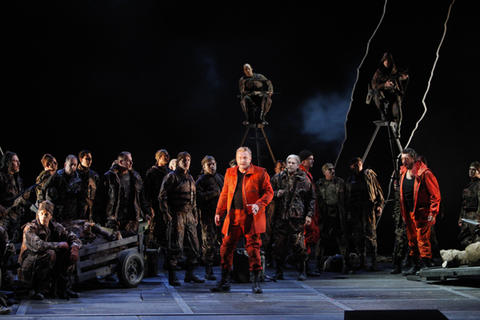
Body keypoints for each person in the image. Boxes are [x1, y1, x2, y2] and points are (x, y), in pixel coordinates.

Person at [211, 147, 273, 294]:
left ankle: (256, 282)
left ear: (250, 159)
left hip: (251, 216)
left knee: (253, 249)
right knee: (225, 247)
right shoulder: (230, 173)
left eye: (245, 158)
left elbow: (269, 192)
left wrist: (259, 204)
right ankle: (225, 281)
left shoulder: (260, 172)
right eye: (240, 158)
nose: (242, 161)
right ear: (236, 159)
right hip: (233, 216)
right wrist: (219, 212)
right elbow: (225, 193)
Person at [18, 200, 82, 300]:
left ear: (51, 216)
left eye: (46, 214)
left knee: (67, 253)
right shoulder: (30, 228)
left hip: (47, 265)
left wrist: (74, 247)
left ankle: (63, 287)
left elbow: (73, 237)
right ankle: (34, 289)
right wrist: (58, 244)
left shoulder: (55, 227)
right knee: (50, 253)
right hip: (29, 266)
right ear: (38, 214)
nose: (43, 217)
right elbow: (38, 245)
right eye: (41, 214)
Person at [159, 152, 204, 286]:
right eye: (184, 160)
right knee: (176, 246)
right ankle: (172, 275)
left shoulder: (190, 177)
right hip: (177, 213)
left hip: (189, 214)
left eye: (189, 160)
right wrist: (166, 213)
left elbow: (193, 199)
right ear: (178, 162)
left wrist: (195, 215)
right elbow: (162, 197)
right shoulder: (171, 177)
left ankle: (189, 274)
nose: (186, 162)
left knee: (194, 245)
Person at [270, 155, 315, 281]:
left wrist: (309, 215)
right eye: (288, 162)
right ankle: (279, 271)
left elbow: (311, 199)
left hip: (297, 218)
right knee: (279, 245)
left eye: (293, 163)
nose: (290, 165)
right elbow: (267, 193)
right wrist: (275, 194)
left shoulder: (304, 180)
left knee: (299, 245)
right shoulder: (278, 178)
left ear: (298, 164)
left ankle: (302, 270)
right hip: (281, 217)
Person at [399, 148, 441, 275]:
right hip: (409, 212)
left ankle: (427, 265)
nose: (404, 161)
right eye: (402, 159)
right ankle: (415, 265)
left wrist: (432, 212)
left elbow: (435, 194)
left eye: (406, 159)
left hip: (422, 212)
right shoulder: (403, 172)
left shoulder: (425, 173)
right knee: (412, 240)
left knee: (422, 240)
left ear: (413, 159)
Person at [97, 152, 150, 234]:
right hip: (114, 217)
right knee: (115, 242)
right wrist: (98, 216)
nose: (131, 163)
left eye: (131, 161)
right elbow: (100, 197)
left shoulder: (136, 178)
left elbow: (141, 197)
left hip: (130, 217)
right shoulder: (109, 178)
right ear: (121, 162)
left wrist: (146, 211)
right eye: (128, 161)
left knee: (132, 242)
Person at [346, 157, 384, 271]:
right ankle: (362, 261)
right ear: (352, 166)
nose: (358, 166)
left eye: (359, 164)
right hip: (356, 211)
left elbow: (378, 191)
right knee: (358, 236)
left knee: (371, 236)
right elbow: (347, 197)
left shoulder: (368, 176)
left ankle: (374, 262)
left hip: (368, 209)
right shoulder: (350, 180)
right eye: (355, 165)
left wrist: (379, 205)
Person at [315, 163, 350, 274]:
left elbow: (347, 199)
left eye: (333, 169)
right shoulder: (319, 185)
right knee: (321, 240)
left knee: (342, 239)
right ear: (324, 172)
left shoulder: (341, 183)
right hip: (325, 215)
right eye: (329, 170)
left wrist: (347, 214)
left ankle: (346, 264)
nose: (332, 171)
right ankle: (317, 264)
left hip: (338, 214)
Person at [196, 155, 224, 280]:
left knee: (224, 241)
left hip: (221, 215)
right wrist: (212, 193)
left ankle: (225, 268)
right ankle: (209, 270)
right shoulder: (201, 180)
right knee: (209, 243)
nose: (212, 166)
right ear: (204, 167)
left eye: (213, 164)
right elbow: (197, 197)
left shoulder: (220, 178)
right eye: (209, 164)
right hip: (208, 216)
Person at [370, 52, 409, 137]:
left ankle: (397, 128)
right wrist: (384, 85)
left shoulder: (395, 70)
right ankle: (383, 113)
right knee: (376, 95)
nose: (387, 62)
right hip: (383, 93)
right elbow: (373, 84)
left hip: (393, 93)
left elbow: (401, 76)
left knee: (397, 109)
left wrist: (403, 76)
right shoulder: (379, 72)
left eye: (389, 60)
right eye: (386, 60)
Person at [39, 155, 85, 224]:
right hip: (56, 216)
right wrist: (44, 211)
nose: (72, 167)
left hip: (71, 217)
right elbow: (43, 191)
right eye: (71, 164)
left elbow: (81, 198)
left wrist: (81, 214)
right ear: (65, 165)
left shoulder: (79, 179)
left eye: (75, 165)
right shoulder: (56, 176)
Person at [0, 151, 31, 243]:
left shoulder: (17, 178)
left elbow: (20, 196)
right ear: (8, 163)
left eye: (18, 161)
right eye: (15, 161)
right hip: (4, 218)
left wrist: (25, 198)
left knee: (12, 245)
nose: (19, 163)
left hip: (16, 219)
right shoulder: (1, 177)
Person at [144, 149, 171, 249]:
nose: (168, 157)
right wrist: (149, 207)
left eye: (168, 155)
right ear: (159, 158)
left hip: (167, 206)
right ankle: (152, 256)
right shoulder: (152, 173)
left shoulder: (170, 173)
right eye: (165, 155)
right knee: (154, 232)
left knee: (166, 232)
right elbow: (146, 192)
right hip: (155, 206)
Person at [298, 150, 320, 272]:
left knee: (311, 237)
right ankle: (304, 267)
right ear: (304, 161)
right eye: (310, 159)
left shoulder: (307, 174)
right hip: (304, 213)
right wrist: (307, 214)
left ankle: (304, 266)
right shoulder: (301, 174)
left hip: (309, 211)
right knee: (305, 239)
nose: (313, 161)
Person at [458, 161, 480, 247]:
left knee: (475, 241)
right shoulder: (470, 185)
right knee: (465, 240)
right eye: (470, 169)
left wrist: (478, 219)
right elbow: (464, 204)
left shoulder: (478, 185)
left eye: (474, 170)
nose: (471, 171)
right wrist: (461, 217)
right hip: (467, 218)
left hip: (474, 218)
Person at [77, 150, 99, 223]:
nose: (89, 161)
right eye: (87, 159)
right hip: (77, 208)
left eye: (91, 159)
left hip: (91, 210)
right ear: (81, 159)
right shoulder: (75, 174)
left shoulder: (94, 175)